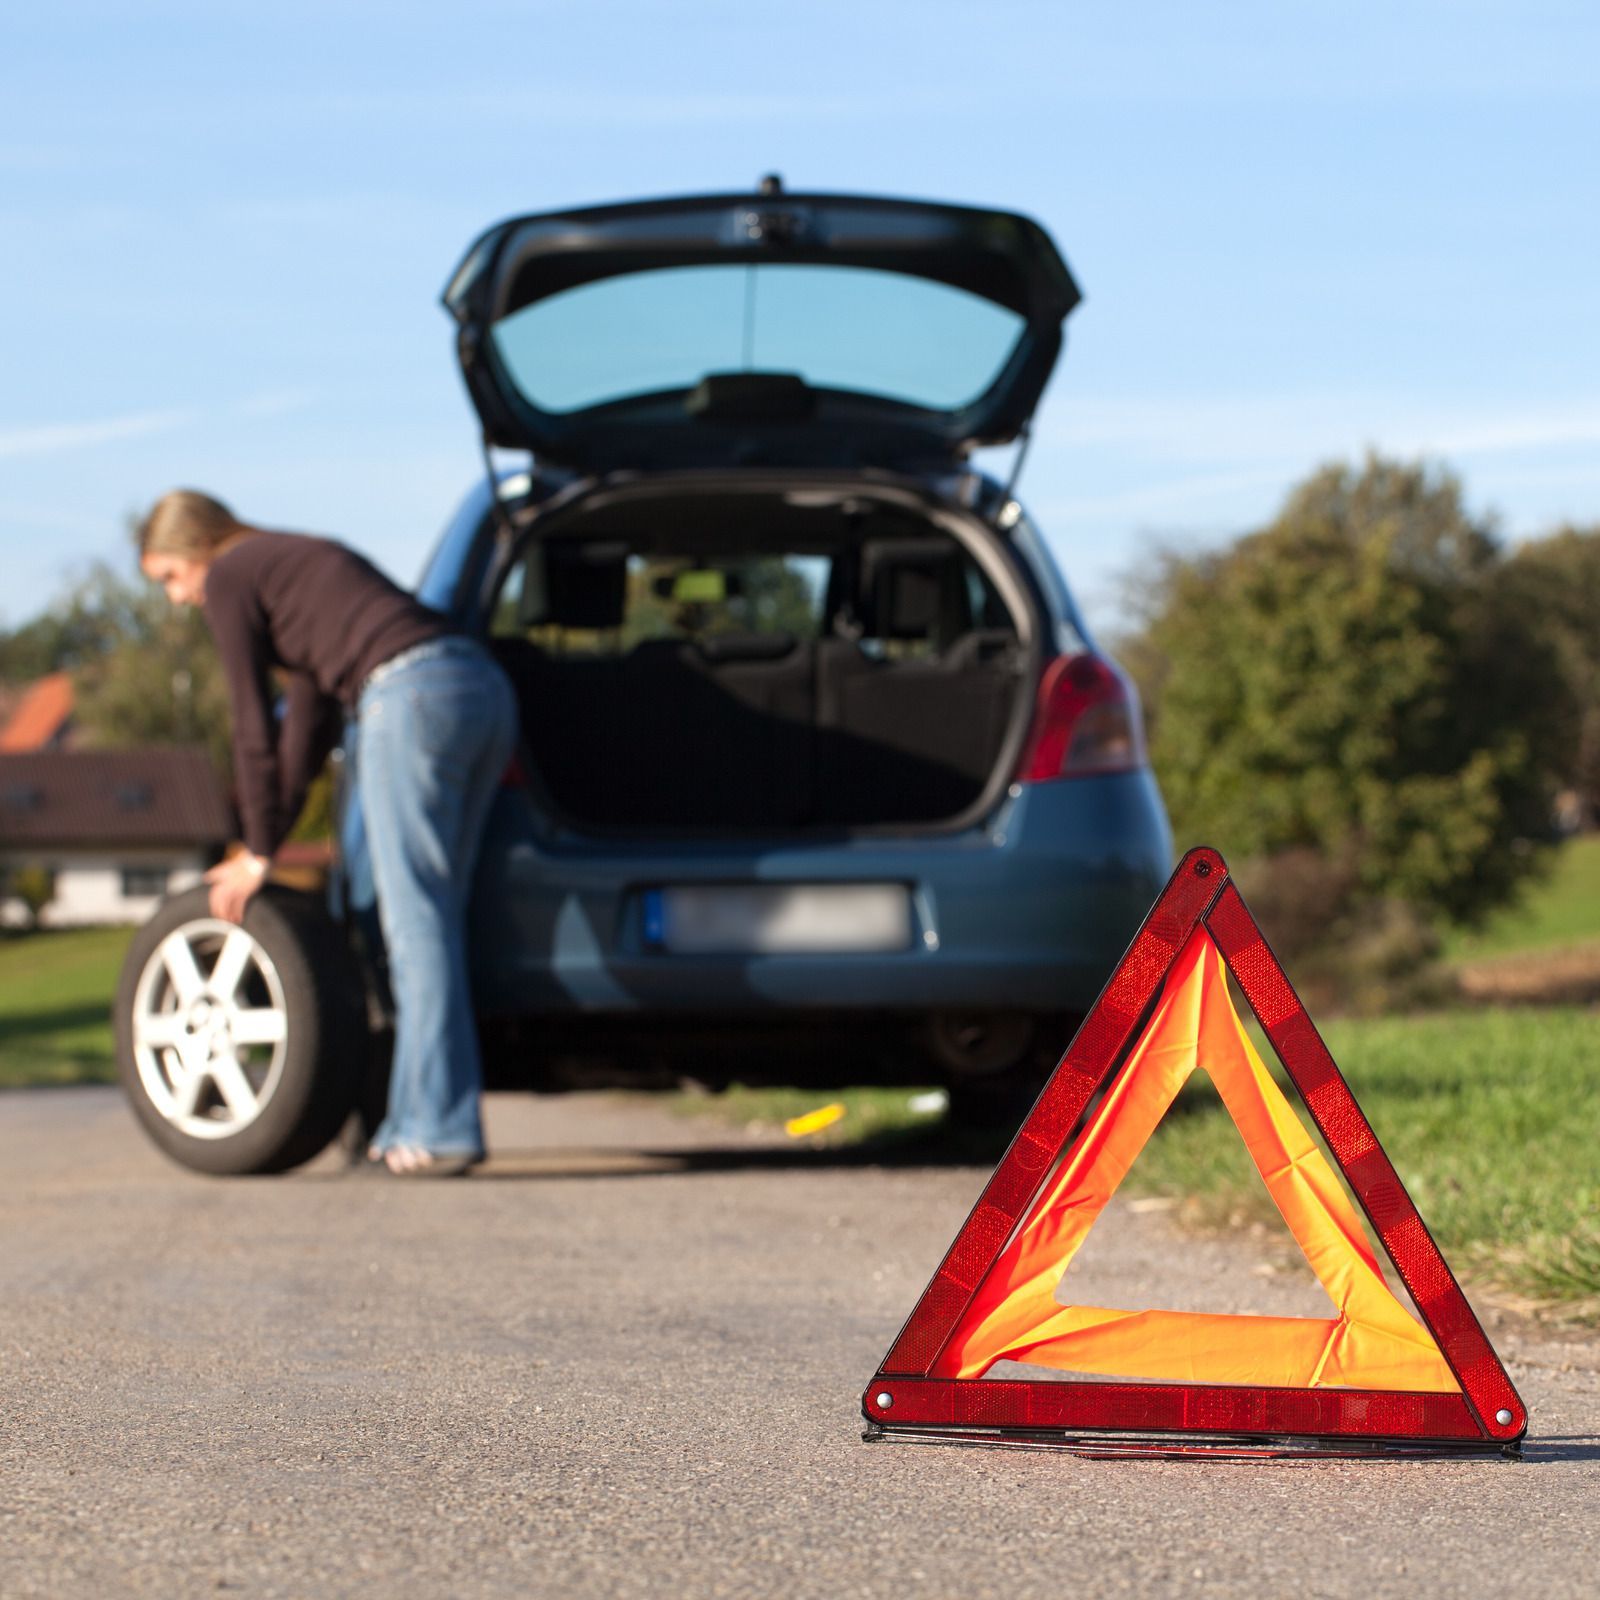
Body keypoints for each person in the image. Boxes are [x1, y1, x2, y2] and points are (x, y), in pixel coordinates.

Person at [138, 489, 516, 1176]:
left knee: (414, 925)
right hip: (480, 691)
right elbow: (304, 728)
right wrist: (271, 837)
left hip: (410, 695)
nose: (176, 597)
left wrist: (256, 850)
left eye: (169, 577)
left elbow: (253, 725)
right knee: (429, 919)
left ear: (194, 550)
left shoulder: (230, 574)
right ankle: (410, 1121)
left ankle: (440, 1127)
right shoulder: (294, 568)